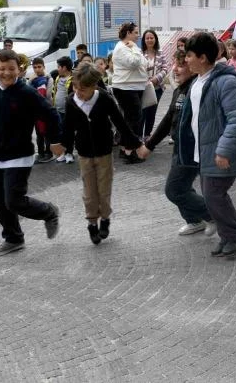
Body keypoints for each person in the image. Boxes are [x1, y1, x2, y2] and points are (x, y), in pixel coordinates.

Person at [0, 49, 62, 257]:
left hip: (20, 155)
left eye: (11, 69)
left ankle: (49, 212)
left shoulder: (26, 92)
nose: (7, 73)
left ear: (19, 69)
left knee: (13, 201)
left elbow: (50, 114)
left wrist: (56, 140)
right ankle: (14, 237)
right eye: (2, 69)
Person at [176, 32, 236, 257]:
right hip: (205, 150)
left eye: (189, 55)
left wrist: (224, 149)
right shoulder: (199, 81)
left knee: (214, 196)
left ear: (202, 57)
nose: (186, 60)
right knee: (212, 197)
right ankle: (228, 236)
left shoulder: (225, 81)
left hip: (219, 151)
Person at [61, 64, 143, 245]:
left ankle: (105, 219)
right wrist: (62, 145)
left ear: (94, 86)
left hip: (104, 152)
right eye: (75, 87)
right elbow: (67, 127)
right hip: (84, 153)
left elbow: (120, 122)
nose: (78, 92)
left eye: (83, 89)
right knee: (89, 193)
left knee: (104, 190)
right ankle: (91, 223)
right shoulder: (70, 101)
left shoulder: (104, 98)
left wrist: (136, 143)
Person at [138, 50, 216, 236]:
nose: (175, 69)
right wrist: (149, 145)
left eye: (180, 65)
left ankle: (214, 215)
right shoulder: (180, 89)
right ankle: (194, 220)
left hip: (190, 149)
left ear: (192, 67)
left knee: (174, 190)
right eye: (175, 64)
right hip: (179, 147)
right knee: (182, 186)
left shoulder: (196, 89)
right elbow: (167, 120)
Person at [111, 22, 148, 162]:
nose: (138, 35)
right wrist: (135, 49)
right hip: (125, 88)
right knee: (134, 119)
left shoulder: (131, 47)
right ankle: (129, 152)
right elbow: (134, 63)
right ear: (128, 33)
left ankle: (124, 148)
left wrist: (135, 49)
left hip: (134, 87)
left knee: (130, 119)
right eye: (136, 32)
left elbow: (144, 63)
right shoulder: (122, 48)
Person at [140, 29, 168, 140]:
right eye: (147, 38)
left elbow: (165, 68)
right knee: (142, 112)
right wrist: (147, 80)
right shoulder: (140, 53)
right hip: (143, 88)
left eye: (152, 37)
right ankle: (139, 136)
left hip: (157, 88)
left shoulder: (160, 53)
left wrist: (156, 78)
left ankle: (147, 135)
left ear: (155, 39)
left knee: (152, 112)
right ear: (144, 40)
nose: (150, 40)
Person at [30, 57, 54, 163]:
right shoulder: (32, 80)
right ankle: (40, 153)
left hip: (46, 108)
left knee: (47, 132)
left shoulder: (49, 78)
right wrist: (31, 81)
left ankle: (49, 153)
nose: (37, 69)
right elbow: (28, 92)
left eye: (39, 67)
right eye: (35, 67)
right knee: (39, 133)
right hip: (35, 110)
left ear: (44, 67)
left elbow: (48, 95)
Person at [52, 56, 75, 164]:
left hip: (68, 112)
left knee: (69, 133)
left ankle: (69, 153)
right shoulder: (58, 78)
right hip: (58, 110)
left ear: (65, 68)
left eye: (59, 67)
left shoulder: (72, 79)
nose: (57, 69)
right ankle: (63, 153)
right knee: (60, 133)